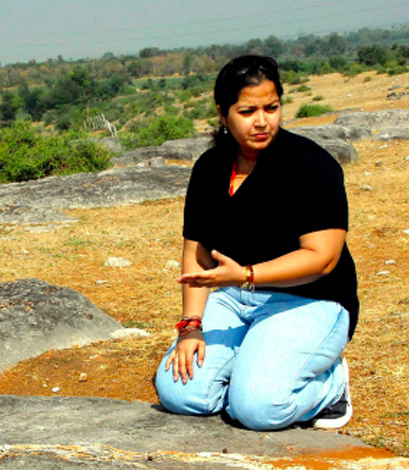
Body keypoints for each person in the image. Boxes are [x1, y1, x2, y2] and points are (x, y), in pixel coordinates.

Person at [154, 55, 359, 431]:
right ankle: (252, 369)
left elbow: (323, 259)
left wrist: (246, 275)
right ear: (223, 113)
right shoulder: (210, 168)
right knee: (180, 394)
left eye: (272, 107)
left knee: (258, 409)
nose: (262, 121)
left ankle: (331, 386)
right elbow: (196, 255)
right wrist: (191, 326)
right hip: (232, 299)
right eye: (247, 110)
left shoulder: (312, 165)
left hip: (309, 299)